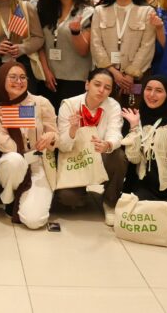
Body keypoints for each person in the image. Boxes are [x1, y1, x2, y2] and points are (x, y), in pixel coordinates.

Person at [0, 62, 58, 229]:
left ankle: (27, 199)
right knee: (15, 159)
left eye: (22, 77)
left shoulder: (41, 103)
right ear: (2, 81)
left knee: (34, 221)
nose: (18, 81)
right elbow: (10, 148)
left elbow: (57, 136)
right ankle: (9, 197)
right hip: (12, 164)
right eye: (12, 77)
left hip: (39, 162)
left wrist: (51, 137)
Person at [119, 75, 167, 229]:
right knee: (136, 224)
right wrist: (133, 128)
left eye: (159, 91)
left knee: (166, 225)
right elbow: (133, 159)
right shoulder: (136, 119)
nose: (152, 95)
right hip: (146, 186)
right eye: (148, 89)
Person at [55, 68, 127, 225]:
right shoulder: (69, 105)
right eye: (97, 84)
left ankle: (109, 201)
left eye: (107, 88)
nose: (101, 90)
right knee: (67, 198)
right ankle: (82, 194)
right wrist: (72, 131)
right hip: (76, 157)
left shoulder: (113, 106)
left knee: (118, 156)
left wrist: (107, 144)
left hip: (100, 154)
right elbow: (63, 146)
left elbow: (116, 134)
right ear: (87, 84)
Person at [90, 0, 158, 109]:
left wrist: (130, 75)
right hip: (106, 77)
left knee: (132, 113)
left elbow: (147, 46)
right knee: (103, 114)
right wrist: (113, 72)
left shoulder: (147, 12)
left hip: (135, 79)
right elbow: (95, 44)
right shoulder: (99, 11)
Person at [36, 0, 94, 110]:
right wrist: (45, 71)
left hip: (76, 80)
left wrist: (76, 32)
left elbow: (83, 51)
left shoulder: (87, 12)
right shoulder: (46, 10)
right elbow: (40, 44)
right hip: (49, 79)